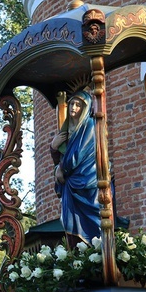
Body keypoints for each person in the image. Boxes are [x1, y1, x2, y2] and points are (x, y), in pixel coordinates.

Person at [50, 89, 100, 247]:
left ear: (85, 108)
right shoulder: (67, 130)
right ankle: (75, 257)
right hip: (70, 185)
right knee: (69, 223)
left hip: (86, 182)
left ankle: (95, 255)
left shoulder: (89, 126)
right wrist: (53, 147)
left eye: (78, 105)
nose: (73, 107)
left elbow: (76, 156)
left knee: (92, 227)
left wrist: (61, 168)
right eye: (72, 103)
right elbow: (61, 157)